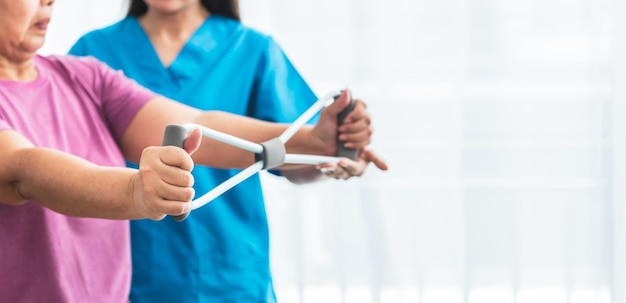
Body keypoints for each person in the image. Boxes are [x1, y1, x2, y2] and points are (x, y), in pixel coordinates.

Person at [0, 0, 387, 302]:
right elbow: (24, 170)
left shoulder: (83, 75)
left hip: (216, 277)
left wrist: (312, 141)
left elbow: (197, 124)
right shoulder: (98, 49)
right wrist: (137, 191)